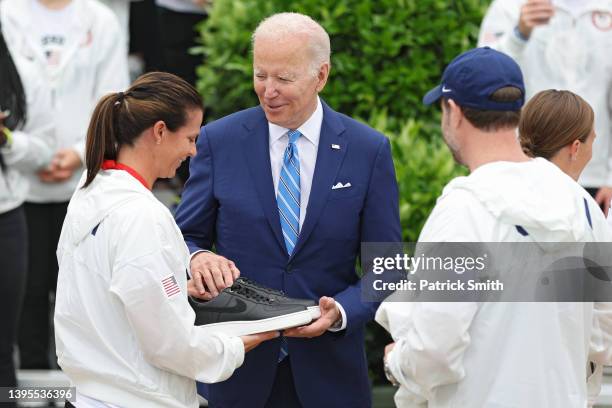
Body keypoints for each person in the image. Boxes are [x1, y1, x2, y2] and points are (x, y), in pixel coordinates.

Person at [174, 12, 401, 408]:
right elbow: (184, 236)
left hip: (330, 376)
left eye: (284, 78)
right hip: (234, 370)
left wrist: (343, 311)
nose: (268, 90)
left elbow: (387, 266)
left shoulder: (368, 150)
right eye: (261, 75)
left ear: (321, 75)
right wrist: (198, 257)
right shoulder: (219, 140)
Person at [375, 47, 612, 407]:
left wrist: (397, 363)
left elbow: (435, 347)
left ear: (453, 112)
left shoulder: (462, 210)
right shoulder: (581, 204)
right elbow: (603, 331)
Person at [54, 72, 277, 407]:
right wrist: (242, 341)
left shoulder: (89, 191)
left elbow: (103, 287)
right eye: (189, 138)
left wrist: (172, 286)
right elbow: (171, 345)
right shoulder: (142, 215)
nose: (192, 151)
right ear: (159, 131)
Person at [0, 0, 130, 369]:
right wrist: (27, 151)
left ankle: (79, 385)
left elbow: (114, 98)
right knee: (26, 294)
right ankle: (31, 384)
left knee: (82, 297)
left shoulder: (99, 20)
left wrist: (78, 153)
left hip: (83, 181)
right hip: (17, 181)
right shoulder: (6, 13)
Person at [478, 0, 612, 213]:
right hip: (525, 169)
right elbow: (485, 76)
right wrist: (518, 35)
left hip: (593, 176)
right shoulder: (509, 7)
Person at [0, 26, 53, 408]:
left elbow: (43, 150)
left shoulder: (19, 70)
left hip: (6, 216)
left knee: (4, 347)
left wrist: (5, 138)